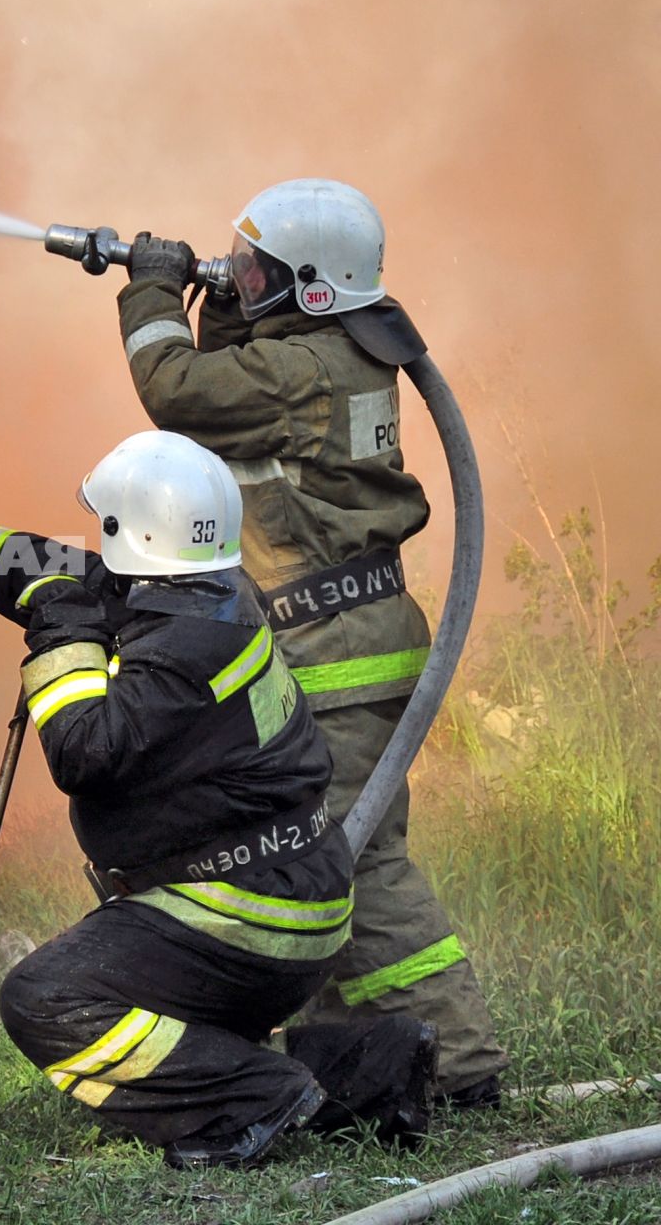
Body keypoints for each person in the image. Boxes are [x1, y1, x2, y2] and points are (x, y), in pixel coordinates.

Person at [0, 431, 434, 1168]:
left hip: (247, 913)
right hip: (279, 894)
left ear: (135, 532)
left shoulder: (183, 655)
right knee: (168, 1018)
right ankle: (367, 1067)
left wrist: (61, 631)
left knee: (46, 999)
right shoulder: (204, 596)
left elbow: (85, 751)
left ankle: (254, 1098)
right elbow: (44, 570)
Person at [115, 179, 507, 1105]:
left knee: (347, 856)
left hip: (336, 649)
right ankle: (365, 1052)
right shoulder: (328, 355)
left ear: (314, 286)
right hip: (339, 636)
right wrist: (215, 307)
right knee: (321, 852)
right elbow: (232, 409)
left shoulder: (306, 369)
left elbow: (177, 392)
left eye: (256, 271)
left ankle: (458, 1062)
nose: (240, 279)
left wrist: (151, 289)